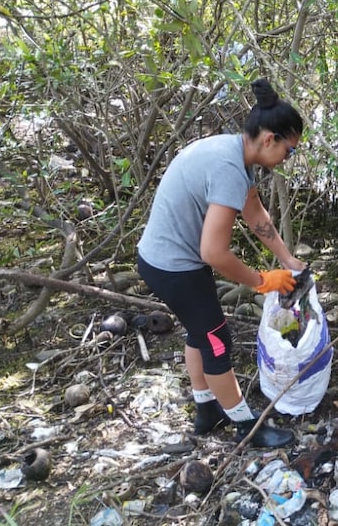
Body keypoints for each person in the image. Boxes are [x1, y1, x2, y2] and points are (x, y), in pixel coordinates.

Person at [136, 78, 306, 448]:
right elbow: (214, 253)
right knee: (217, 340)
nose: (287, 159)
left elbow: (255, 211)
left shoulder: (234, 155)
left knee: (201, 332)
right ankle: (247, 427)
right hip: (173, 266)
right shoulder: (229, 168)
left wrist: (286, 258)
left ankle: (207, 409)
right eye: (289, 151)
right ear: (269, 140)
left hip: (170, 260)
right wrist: (262, 280)